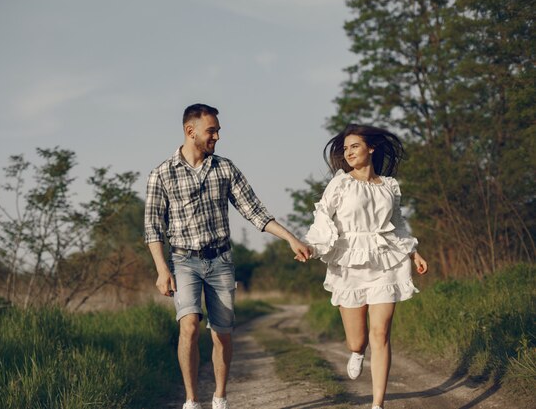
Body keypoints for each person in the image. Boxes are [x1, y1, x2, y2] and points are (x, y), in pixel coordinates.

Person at [144, 103, 311, 409]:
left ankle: (220, 397)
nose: (217, 136)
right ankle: (192, 401)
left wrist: (290, 238)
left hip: (220, 261)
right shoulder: (161, 175)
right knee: (189, 325)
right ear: (190, 131)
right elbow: (153, 228)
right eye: (212, 130)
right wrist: (161, 269)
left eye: (218, 130)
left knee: (222, 334)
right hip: (183, 261)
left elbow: (255, 211)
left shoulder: (225, 169)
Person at [297, 123, 428, 409]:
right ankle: (357, 353)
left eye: (354, 146)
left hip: (385, 260)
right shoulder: (341, 183)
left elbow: (398, 224)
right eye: (345, 149)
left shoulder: (390, 187)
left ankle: (377, 404)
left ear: (371, 148)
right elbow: (323, 216)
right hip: (350, 263)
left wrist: (412, 252)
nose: (349, 152)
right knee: (357, 342)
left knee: (380, 333)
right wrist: (313, 246)